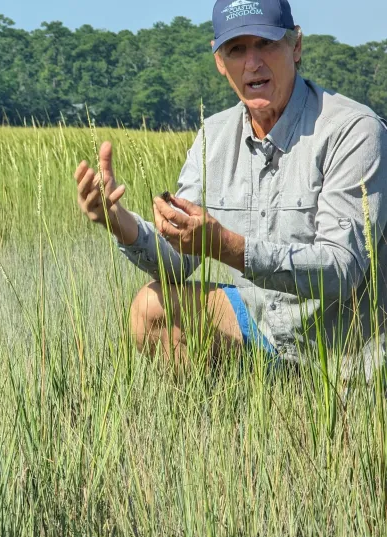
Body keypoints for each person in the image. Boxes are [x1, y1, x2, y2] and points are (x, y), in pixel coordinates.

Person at [74, 0, 387, 372]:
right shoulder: (213, 137)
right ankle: (223, 413)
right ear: (220, 60)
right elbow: (178, 259)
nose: (252, 63)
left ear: (296, 45)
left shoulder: (354, 132)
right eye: (237, 49)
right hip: (263, 325)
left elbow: (342, 269)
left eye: (266, 43)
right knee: (151, 309)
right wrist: (116, 221)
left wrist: (227, 247)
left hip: (347, 352)